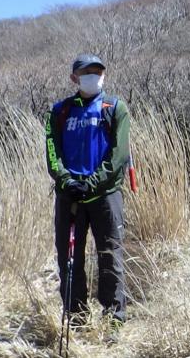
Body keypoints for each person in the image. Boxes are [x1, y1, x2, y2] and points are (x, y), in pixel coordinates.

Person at [45, 54, 130, 331]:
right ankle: (78, 321)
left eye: (97, 71)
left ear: (104, 76)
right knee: (69, 261)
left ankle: (113, 322)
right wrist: (66, 180)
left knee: (111, 257)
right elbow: (52, 152)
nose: (93, 76)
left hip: (105, 196)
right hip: (69, 198)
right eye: (87, 72)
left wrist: (92, 182)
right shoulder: (59, 112)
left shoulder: (115, 108)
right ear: (74, 78)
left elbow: (118, 156)